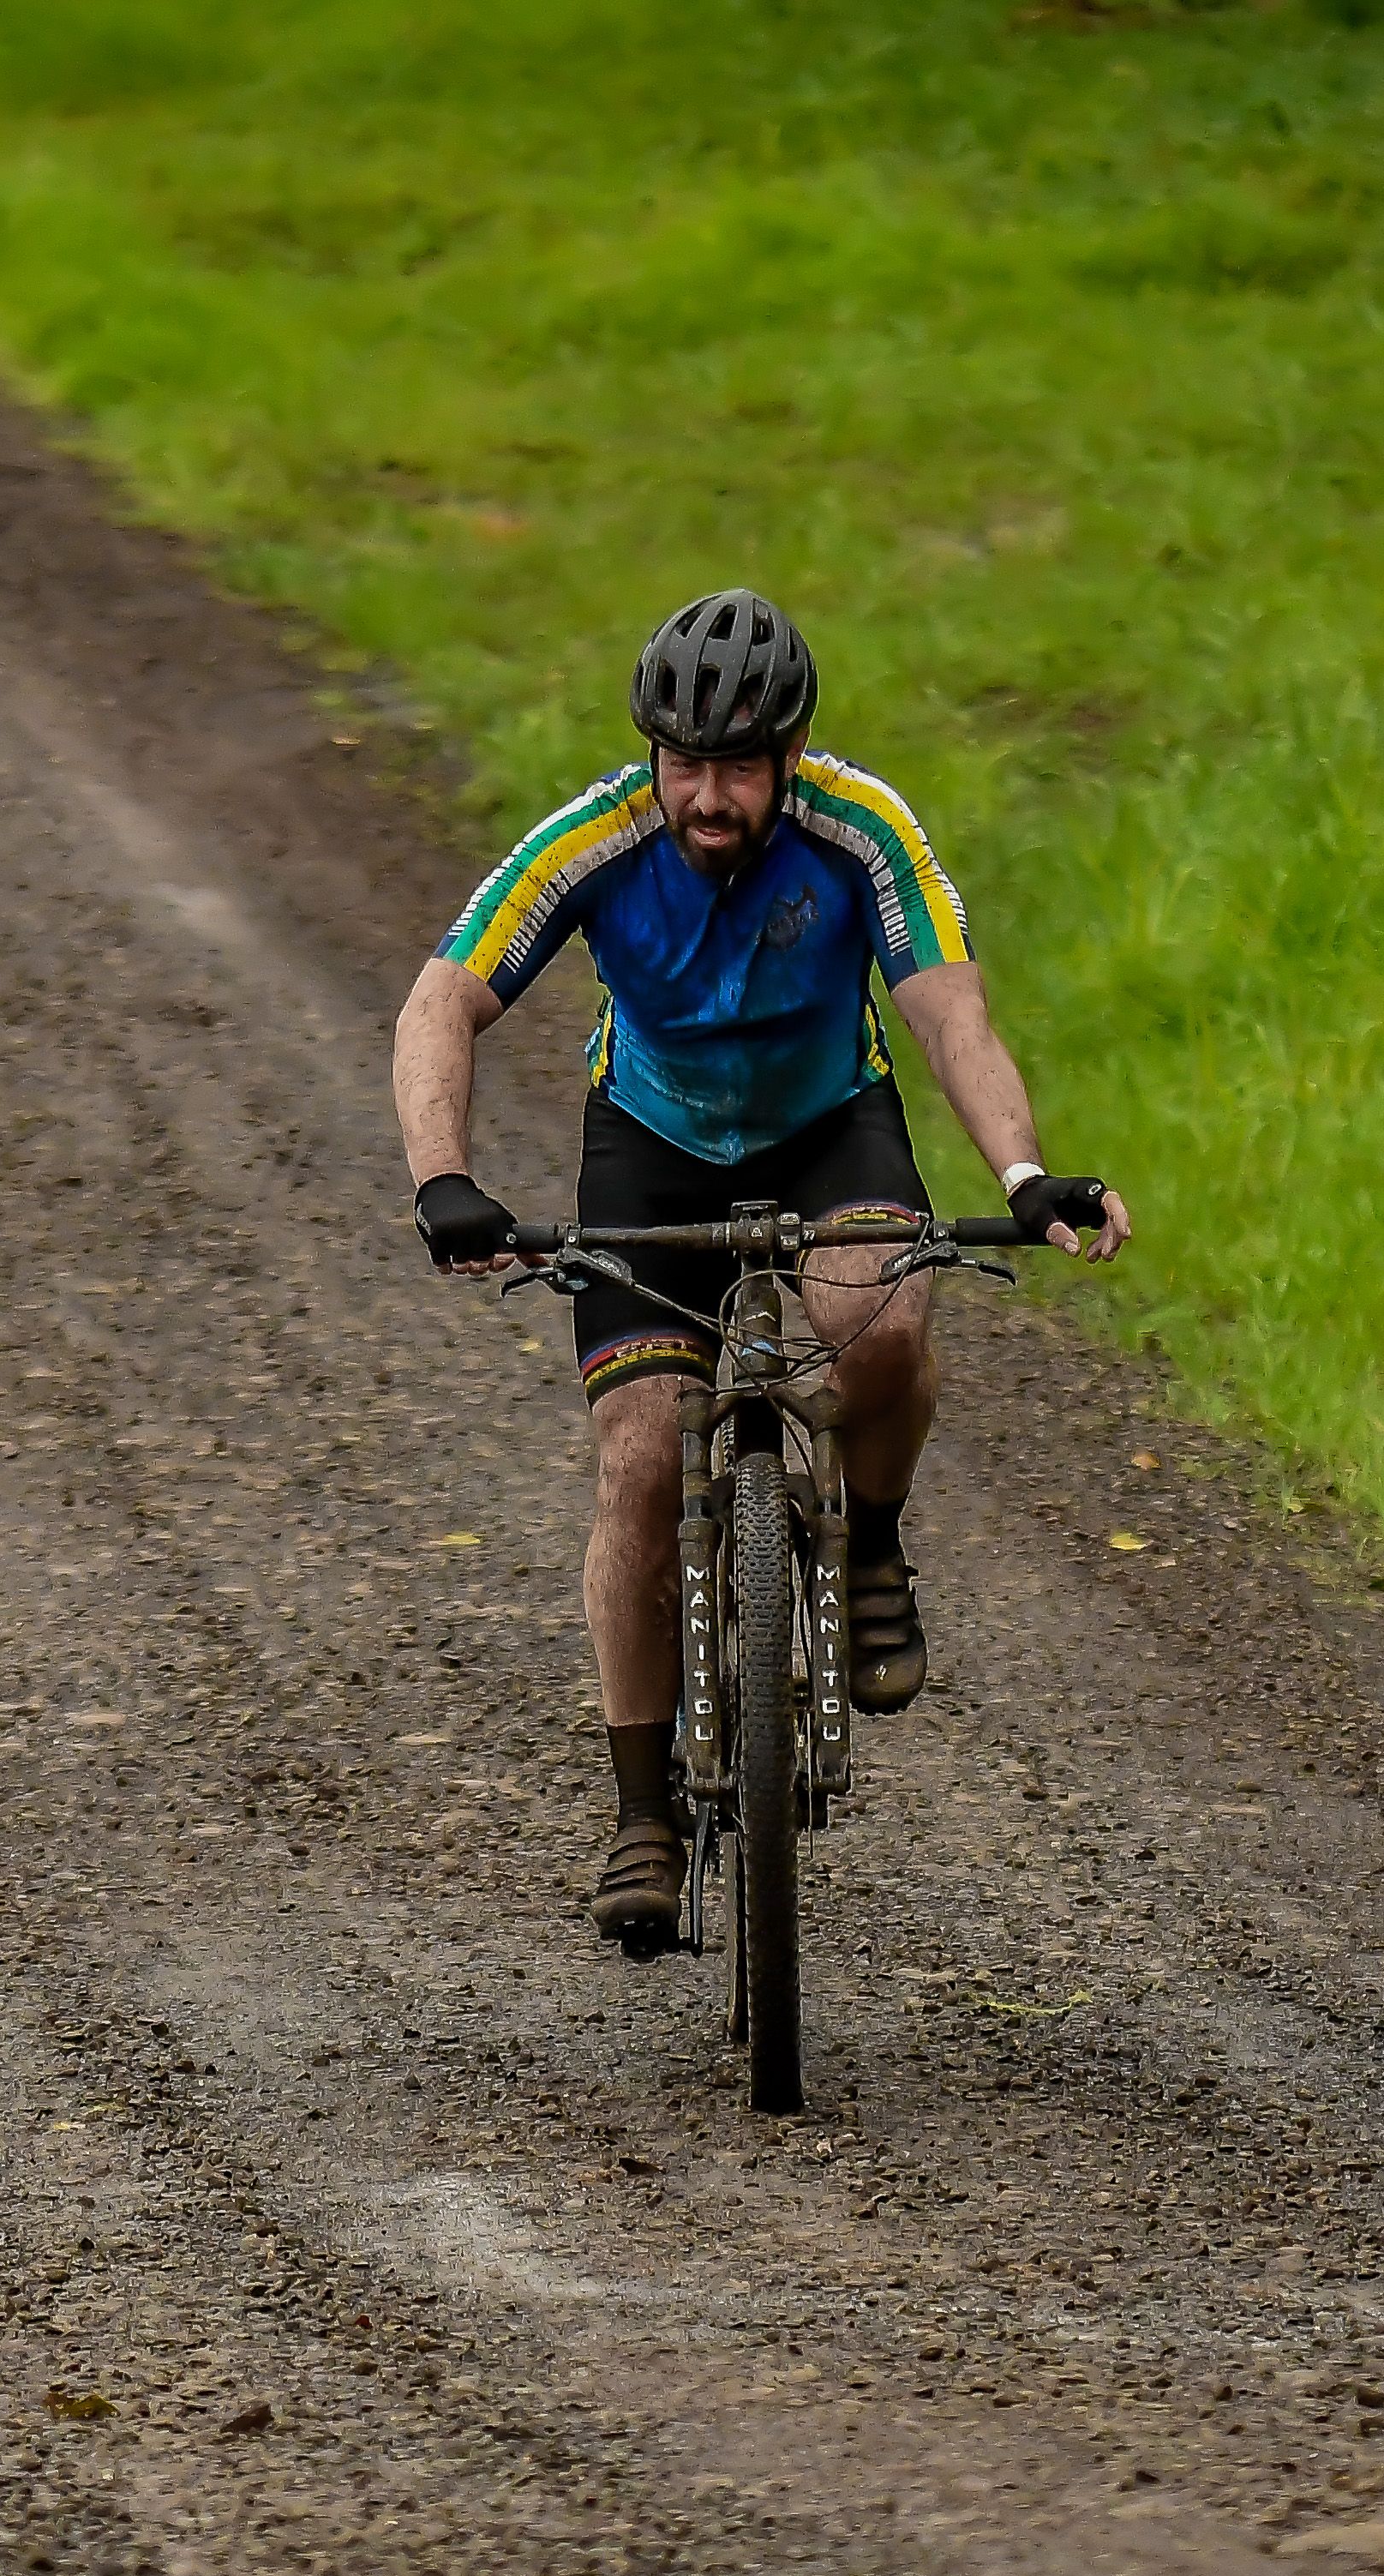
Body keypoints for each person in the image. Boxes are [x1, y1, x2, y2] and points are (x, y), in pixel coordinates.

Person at [392, 588, 1130, 1954]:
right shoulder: (594, 839)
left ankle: (874, 1548)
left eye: (739, 768)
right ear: (653, 755)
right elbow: (445, 996)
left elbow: (950, 1013)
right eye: (686, 765)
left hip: (828, 1128)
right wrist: (443, 1177)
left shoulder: (863, 830)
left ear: (791, 757)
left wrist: (1027, 1177)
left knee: (884, 1323)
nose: (709, 797)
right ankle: (642, 1810)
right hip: (652, 1143)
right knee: (640, 1464)